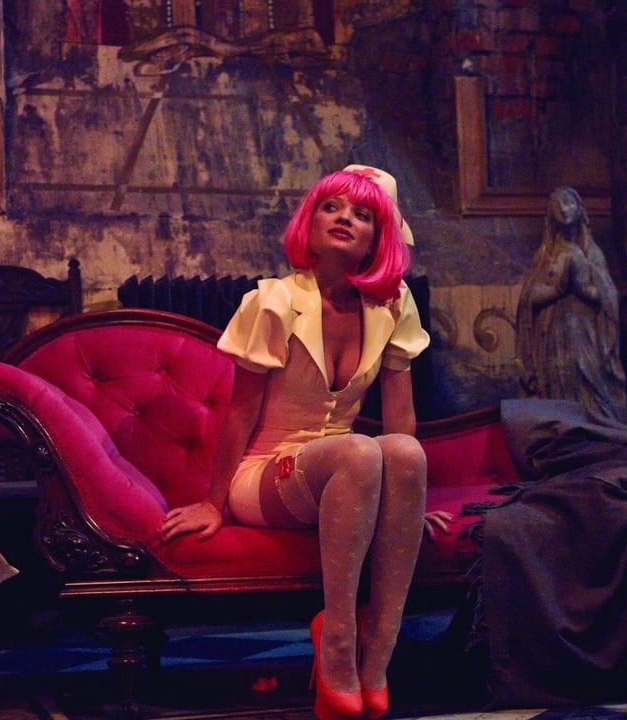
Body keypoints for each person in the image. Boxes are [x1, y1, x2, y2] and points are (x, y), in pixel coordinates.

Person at [158, 165, 447, 720]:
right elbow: (239, 414)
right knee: (359, 449)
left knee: (404, 452)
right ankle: (337, 638)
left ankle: (379, 650)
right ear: (309, 223)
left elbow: (400, 418)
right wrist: (214, 503)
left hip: (346, 471)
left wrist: (407, 501)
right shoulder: (272, 301)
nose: (344, 218)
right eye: (331, 207)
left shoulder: (392, 304)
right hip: (265, 473)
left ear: (377, 238)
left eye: (362, 214)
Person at [515, 186, 627, 424]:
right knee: (558, 381)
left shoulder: (592, 254)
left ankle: (598, 428)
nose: (563, 208)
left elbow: (608, 296)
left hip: (585, 334)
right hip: (552, 336)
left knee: (590, 380)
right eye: (557, 204)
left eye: (568, 202)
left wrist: (583, 289)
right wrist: (557, 290)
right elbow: (528, 298)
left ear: (580, 210)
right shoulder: (545, 255)